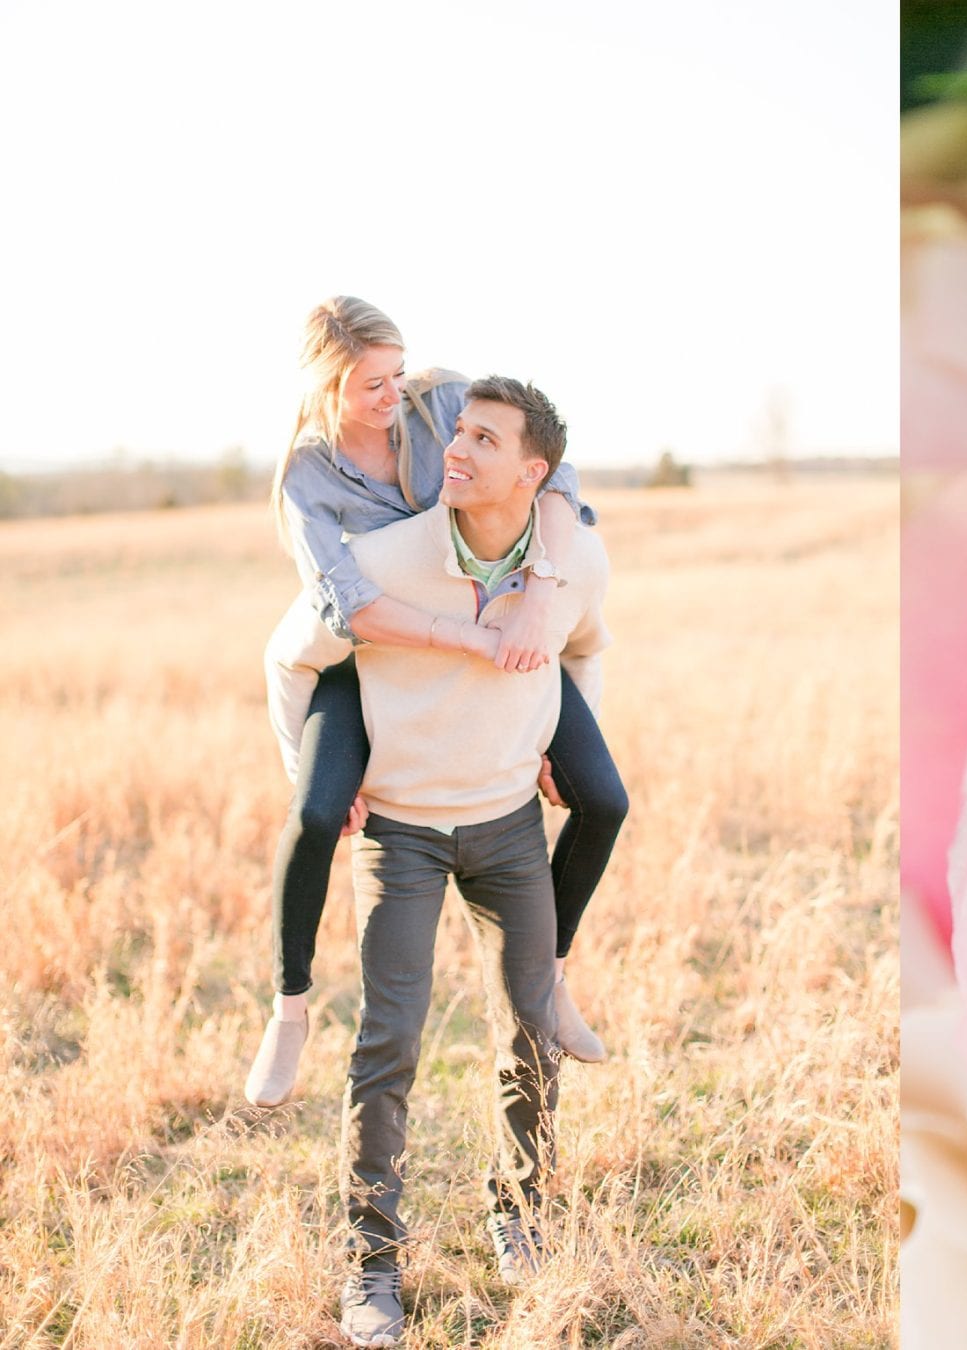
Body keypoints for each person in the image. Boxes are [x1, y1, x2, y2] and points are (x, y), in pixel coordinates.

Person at [268, 376, 607, 1345]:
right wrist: (323, 780)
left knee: (530, 1032)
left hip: (507, 827)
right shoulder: (382, 560)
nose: (455, 449)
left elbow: (587, 646)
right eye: (457, 431)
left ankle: (520, 1215)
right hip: (404, 834)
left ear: (534, 473)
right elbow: (291, 657)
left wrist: (553, 736)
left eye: (484, 439)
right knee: (389, 1048)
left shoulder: (572, 558)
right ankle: (371, 1265)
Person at [245, 297, 627, 1108]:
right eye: (372, 385)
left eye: (396, 372)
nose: (395, 397)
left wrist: (537, 593)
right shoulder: (308, 479)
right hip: (377, 657)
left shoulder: (440, 400)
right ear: (327, 387)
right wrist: (476, 640)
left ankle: (553, 977)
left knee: (604, 798)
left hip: (498, 620)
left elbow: (550, 472)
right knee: (315, 816)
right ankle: (289, 1011)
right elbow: (348, 608)